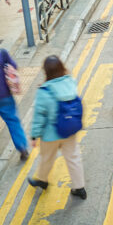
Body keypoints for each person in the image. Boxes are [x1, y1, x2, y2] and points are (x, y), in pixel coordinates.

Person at [28, 55, 86, 200]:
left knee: (47, 158)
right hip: (69, 129)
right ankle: (79, 187)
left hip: (51, 134)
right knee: (73, 158)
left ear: (46, 71)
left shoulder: (44, 91)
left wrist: (34, 135)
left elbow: (39, 117)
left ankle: (42, 180)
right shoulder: (70, 82)